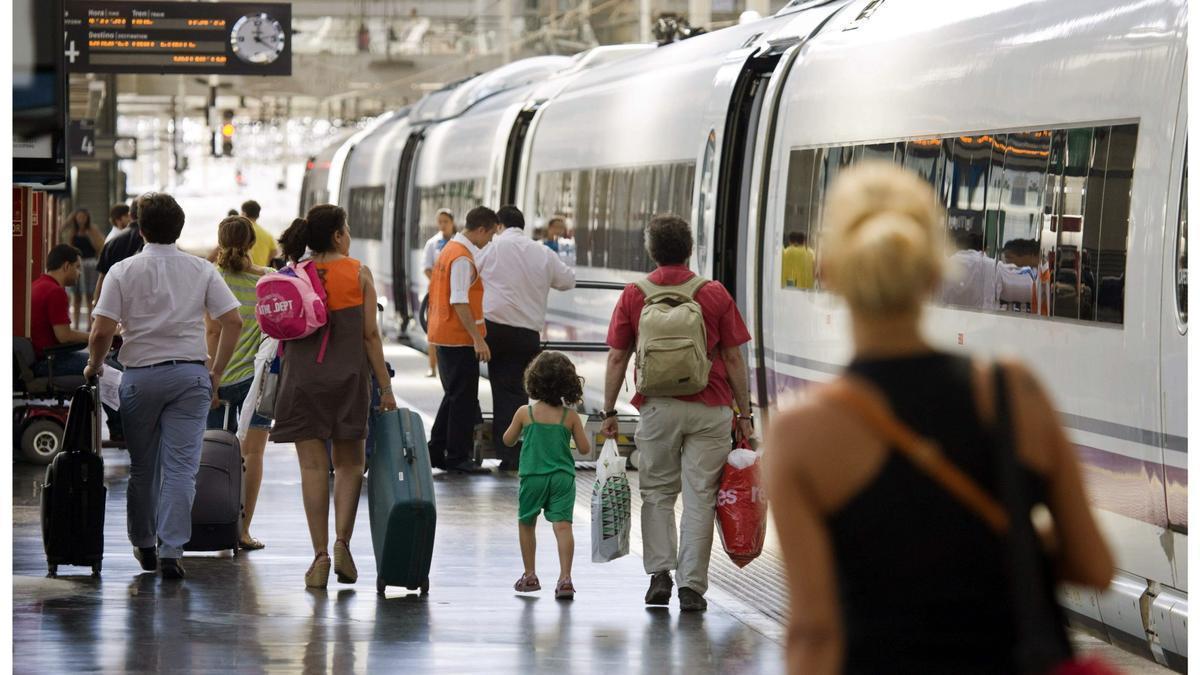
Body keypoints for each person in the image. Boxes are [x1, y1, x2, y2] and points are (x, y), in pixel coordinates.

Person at [764, 163, 1113, 674]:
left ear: (831, 272)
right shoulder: (1014, 391)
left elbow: (815, 632)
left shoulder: (801, 435)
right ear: (933, 272)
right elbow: (1095, 567)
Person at [85, 192, 244, 581]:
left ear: (140, 228)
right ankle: (172, 550)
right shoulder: (201, 270)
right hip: (190, 377)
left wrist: (94, 365)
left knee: (143, 468)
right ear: (180, 228)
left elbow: (102, 329)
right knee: (181, 469)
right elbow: (233, 321)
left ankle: (144, 542)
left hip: (140, 377)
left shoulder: (123, 271)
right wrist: (217, 370)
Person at [600, 214, 754, 612]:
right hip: (711, 405)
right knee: (701, 497)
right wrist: (746, 414)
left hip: (657, 408)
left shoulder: (635, 294)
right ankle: (691, 588)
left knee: (657, 494)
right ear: (689, 250)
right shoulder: (714, 292)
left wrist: (607, 410)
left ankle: (660, 576)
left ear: (652, 251)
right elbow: (734, 358)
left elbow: (618, 357)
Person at [270, 204, 397, 589]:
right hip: (348, 380)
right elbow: (370, 337)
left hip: (301, 382)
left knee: (312, 469)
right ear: (339, 236)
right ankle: (343, 543)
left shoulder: (292, 274)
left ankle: (320, 556)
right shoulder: (357, 272)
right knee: (349, 466)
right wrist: (386, 388)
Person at [476, 205, 576, 472]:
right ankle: (517, 450)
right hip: (527, 333)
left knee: (502, 389)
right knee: (520, 391)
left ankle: (508, 451)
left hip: (495, 328)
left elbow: (472, 272)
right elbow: (568, 280)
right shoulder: (541, 251)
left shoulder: (493, 248)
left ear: (499, 225)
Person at [205, 216, 272, 551]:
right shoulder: (267, 282)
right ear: (250, 242)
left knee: (212, 453)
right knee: (253, 455)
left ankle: (213, 521)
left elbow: (213, 331)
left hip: (215, 378)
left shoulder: (211, 279)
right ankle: (243, 531)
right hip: (255, 382)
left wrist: (211, 378)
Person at [504, 351, 591, 599]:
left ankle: (530, 575)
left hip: (533, 477)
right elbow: (585, 449)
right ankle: (565, 579)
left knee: (527, 523)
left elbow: (507, 440)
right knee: (563, 527)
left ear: (533, 381)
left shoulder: (525, 413)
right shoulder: (570, 416)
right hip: (563, 478)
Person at [426, 206, 500, 474]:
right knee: (463, 398)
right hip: (457, 338)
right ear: (481, 229)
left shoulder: (450, 251)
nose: (490, 240)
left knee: (455, 395)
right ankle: (456, 457)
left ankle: (435, 450)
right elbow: (459, 299)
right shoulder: (461, 257)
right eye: (490, 234)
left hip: (444, 333)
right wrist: (477, 339)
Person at [30, 245, 91, 377]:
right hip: (48, 362)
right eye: (77, 267)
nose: (79, 273)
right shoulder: (55, 291)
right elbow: (65, 336)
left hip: (38, 359)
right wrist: (94, 336)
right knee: (104, 366)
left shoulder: (37, 285)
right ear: (66, 266)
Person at [940, 230, 1031, 309]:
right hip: (982, 325)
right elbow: (1026, 292)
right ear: (984, 249)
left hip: (947, 324)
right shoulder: (991, 266)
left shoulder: (941, 266)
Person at [93, 197, 145, 313]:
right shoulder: (155, 241)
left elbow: (102, 277)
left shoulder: (112, 242)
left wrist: (97, 305)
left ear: (130, 215)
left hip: (115, 303)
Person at [421, 208, 457, 378]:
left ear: (452, 223)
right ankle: (432, 366)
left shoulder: (458, 242)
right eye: (440, 222)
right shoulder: (432, 243)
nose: (442, 225)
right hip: (436, 293)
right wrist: (440, 284)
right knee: (433, 329)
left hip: (455, 292)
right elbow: (427, 268)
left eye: (446, 222)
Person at [60, 208, 105, 329]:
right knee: (76, 295)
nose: (81, 220)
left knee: (91, 295)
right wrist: (69, 220)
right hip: (76, 265)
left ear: (87, 218)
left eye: (83, 217)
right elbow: (60, 230)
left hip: (90, 264)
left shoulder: (92, 230)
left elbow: (101, 246)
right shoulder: (73, 231)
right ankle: (75, 324)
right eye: (79, 217)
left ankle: (91, 324)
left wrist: (91, 237)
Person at [241, 200, 280, 268]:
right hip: (260, 273)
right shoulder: (267, 234)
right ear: (258, 215)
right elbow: (275, 252)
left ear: (244, 214)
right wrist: (266, 262)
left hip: (244, 271)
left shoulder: (240, 231)